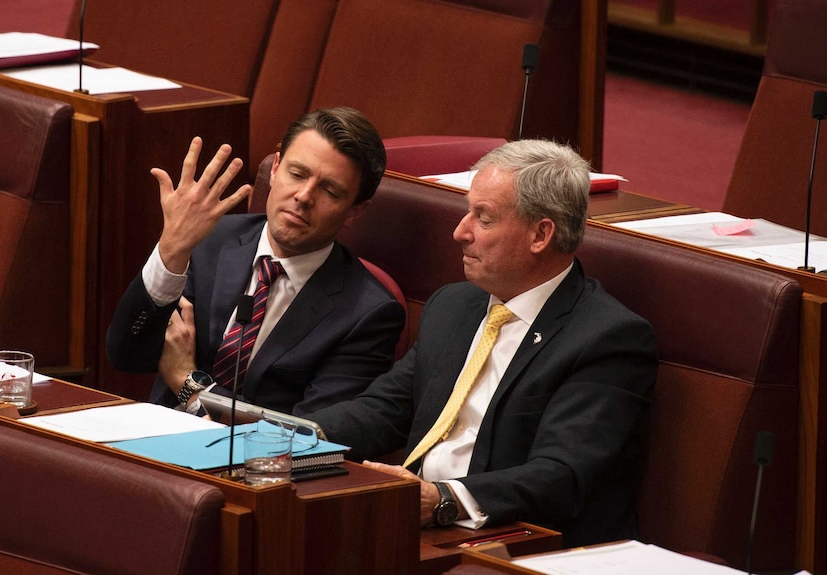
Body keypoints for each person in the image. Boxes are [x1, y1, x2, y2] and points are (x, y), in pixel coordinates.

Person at [308, 139, 658, 547]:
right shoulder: (454, 305)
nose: (460, 232)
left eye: (484, 218)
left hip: (518, 542)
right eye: (467, 211)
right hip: (414, 523)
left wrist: (442, 498)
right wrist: (292, 437)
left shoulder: (607, 339)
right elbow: (383, 411)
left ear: (540, 234)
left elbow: (560, 475)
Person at [105, 107, 405, 416]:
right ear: (275, 168)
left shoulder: (367, 314)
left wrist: (189, 386)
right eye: (297, 174)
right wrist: (171, 250)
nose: (303, 196)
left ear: (355, 211)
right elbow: (127, 355)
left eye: (329, 190)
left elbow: (307, 436)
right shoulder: (211, 239)